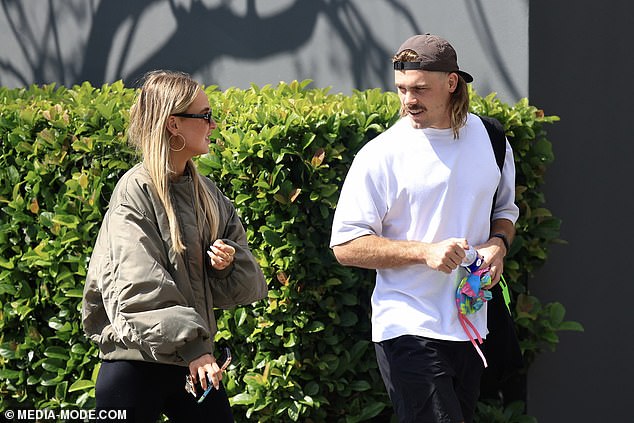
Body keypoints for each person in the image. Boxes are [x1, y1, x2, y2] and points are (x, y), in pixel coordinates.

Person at [330, 34, 519, 423]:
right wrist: (424, 251)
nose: (408, 100)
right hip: (407, 325)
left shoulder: (492, 139)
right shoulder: (381, 154)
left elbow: (505, 210)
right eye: (401, 89)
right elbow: (345, 244)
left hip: (470, 326)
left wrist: (498, 244)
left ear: (452, 83)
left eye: (419, 88)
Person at [82, 70, 267, 423]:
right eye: (205, 116)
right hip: (135, 363)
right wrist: (197, 348)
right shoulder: (135, 191)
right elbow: (140, 287)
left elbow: (242, 279)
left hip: (192, 362)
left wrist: (225, 264)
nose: (213, 124)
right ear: (173, 124)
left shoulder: (207, 194)